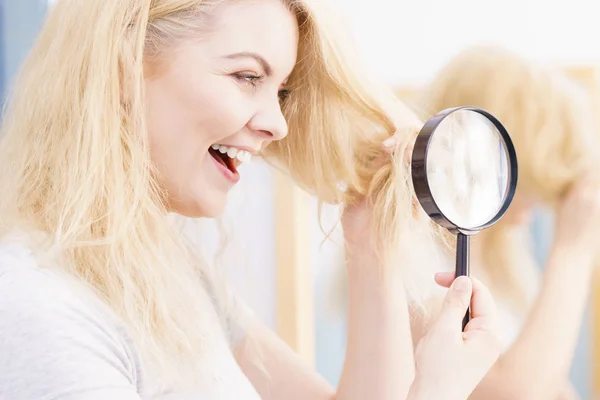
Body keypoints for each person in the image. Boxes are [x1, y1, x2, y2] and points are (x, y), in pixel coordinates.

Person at [0, 1, 501, 399]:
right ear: (126, 65)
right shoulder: (39, 307)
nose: (277, 124)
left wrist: (370, 240)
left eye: (281, 92)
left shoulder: (170, 272)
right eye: (246, 77)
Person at [410, 45, 600, 400]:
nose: (532, 203)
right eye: (522, 181)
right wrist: (572, 253)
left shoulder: (504, 258)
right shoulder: (416, 261)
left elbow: (552, 385)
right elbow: (509, 393)